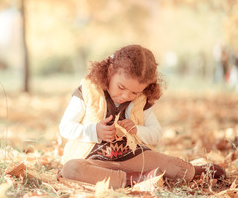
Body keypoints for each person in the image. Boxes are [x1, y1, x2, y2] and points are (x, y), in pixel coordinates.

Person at [58, 44, 225, 189]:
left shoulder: (140, 101)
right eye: (121, 87)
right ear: (110, 71)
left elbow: (156, 133)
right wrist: (94, 131)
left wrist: (137, 130)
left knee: (177, 168)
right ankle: (134, 178)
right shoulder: (88, 91)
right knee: (71, 169)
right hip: (95, 160)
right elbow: (65, 127)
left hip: (134, 156)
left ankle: (195, 171)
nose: (125, 95)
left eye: (134, 92)